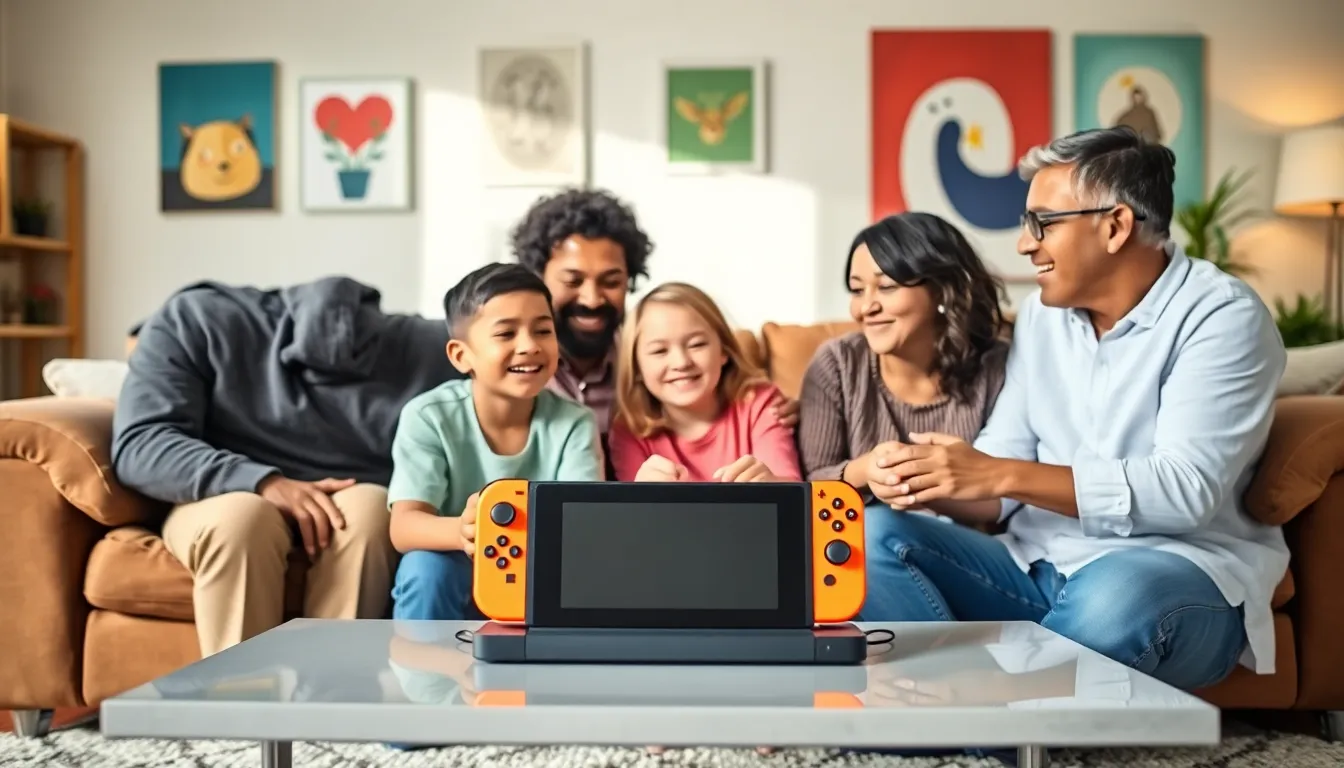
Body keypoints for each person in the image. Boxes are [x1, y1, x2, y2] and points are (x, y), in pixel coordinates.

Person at [866, 126, 1289, 692]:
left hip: (1173, 576)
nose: (1024, 244)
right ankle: (985, 700)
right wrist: (930, 478)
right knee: (876, 536)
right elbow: (1000, 465)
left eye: (1043, 223)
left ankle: (979, 708)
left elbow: (1185, 490)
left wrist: (997, 472)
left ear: (1114, 226)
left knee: (1117, 592)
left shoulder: (1222, 318)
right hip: (1035, 570)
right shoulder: (1043, 317)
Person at [112, 276, 461, 657]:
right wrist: (263, 482)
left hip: (350, 494)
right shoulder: (196, 319)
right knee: (241, 521)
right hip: (228, 491)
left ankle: (332, 702)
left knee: (369, 513)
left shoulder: (431, 346)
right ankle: (238, 702)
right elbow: (141, 442)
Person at [387, 263, 603, 621]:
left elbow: (583, 526)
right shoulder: (428, 416)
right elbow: (405, 527)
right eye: (506, 334)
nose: (530, 346)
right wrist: (465, 530)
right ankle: (422, 675)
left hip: (541, 569)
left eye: (543, 330)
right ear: (461, 355)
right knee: (425, 568)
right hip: (458, 567)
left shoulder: (574, 422)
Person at [511, 188, 800, 454]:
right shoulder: (513, 364)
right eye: (573, 280)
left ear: (629, 279)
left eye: (611, 281)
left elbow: (731, 403)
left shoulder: (650, 360)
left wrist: (796, 417)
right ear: (539, 279)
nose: (592, 298)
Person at [796, 212, 1009, 513]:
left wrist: (909, 484)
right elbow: (812, 480)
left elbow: (1004, 500)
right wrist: (867, 470)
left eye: (887, 287)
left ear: (942, 290)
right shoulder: (837, 364)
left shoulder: (999, 367)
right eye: (857, 290)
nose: (866, 307)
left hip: (972, 548)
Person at [607, 282, 801, 483]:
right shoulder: (628, 429)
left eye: (697, 344)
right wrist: (641, 496)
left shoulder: (761, 404)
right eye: (659, 351)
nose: (681, 362)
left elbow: (792, 490)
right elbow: (632, 512)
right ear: (636, 367)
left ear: (724, 350)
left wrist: (773, 484)